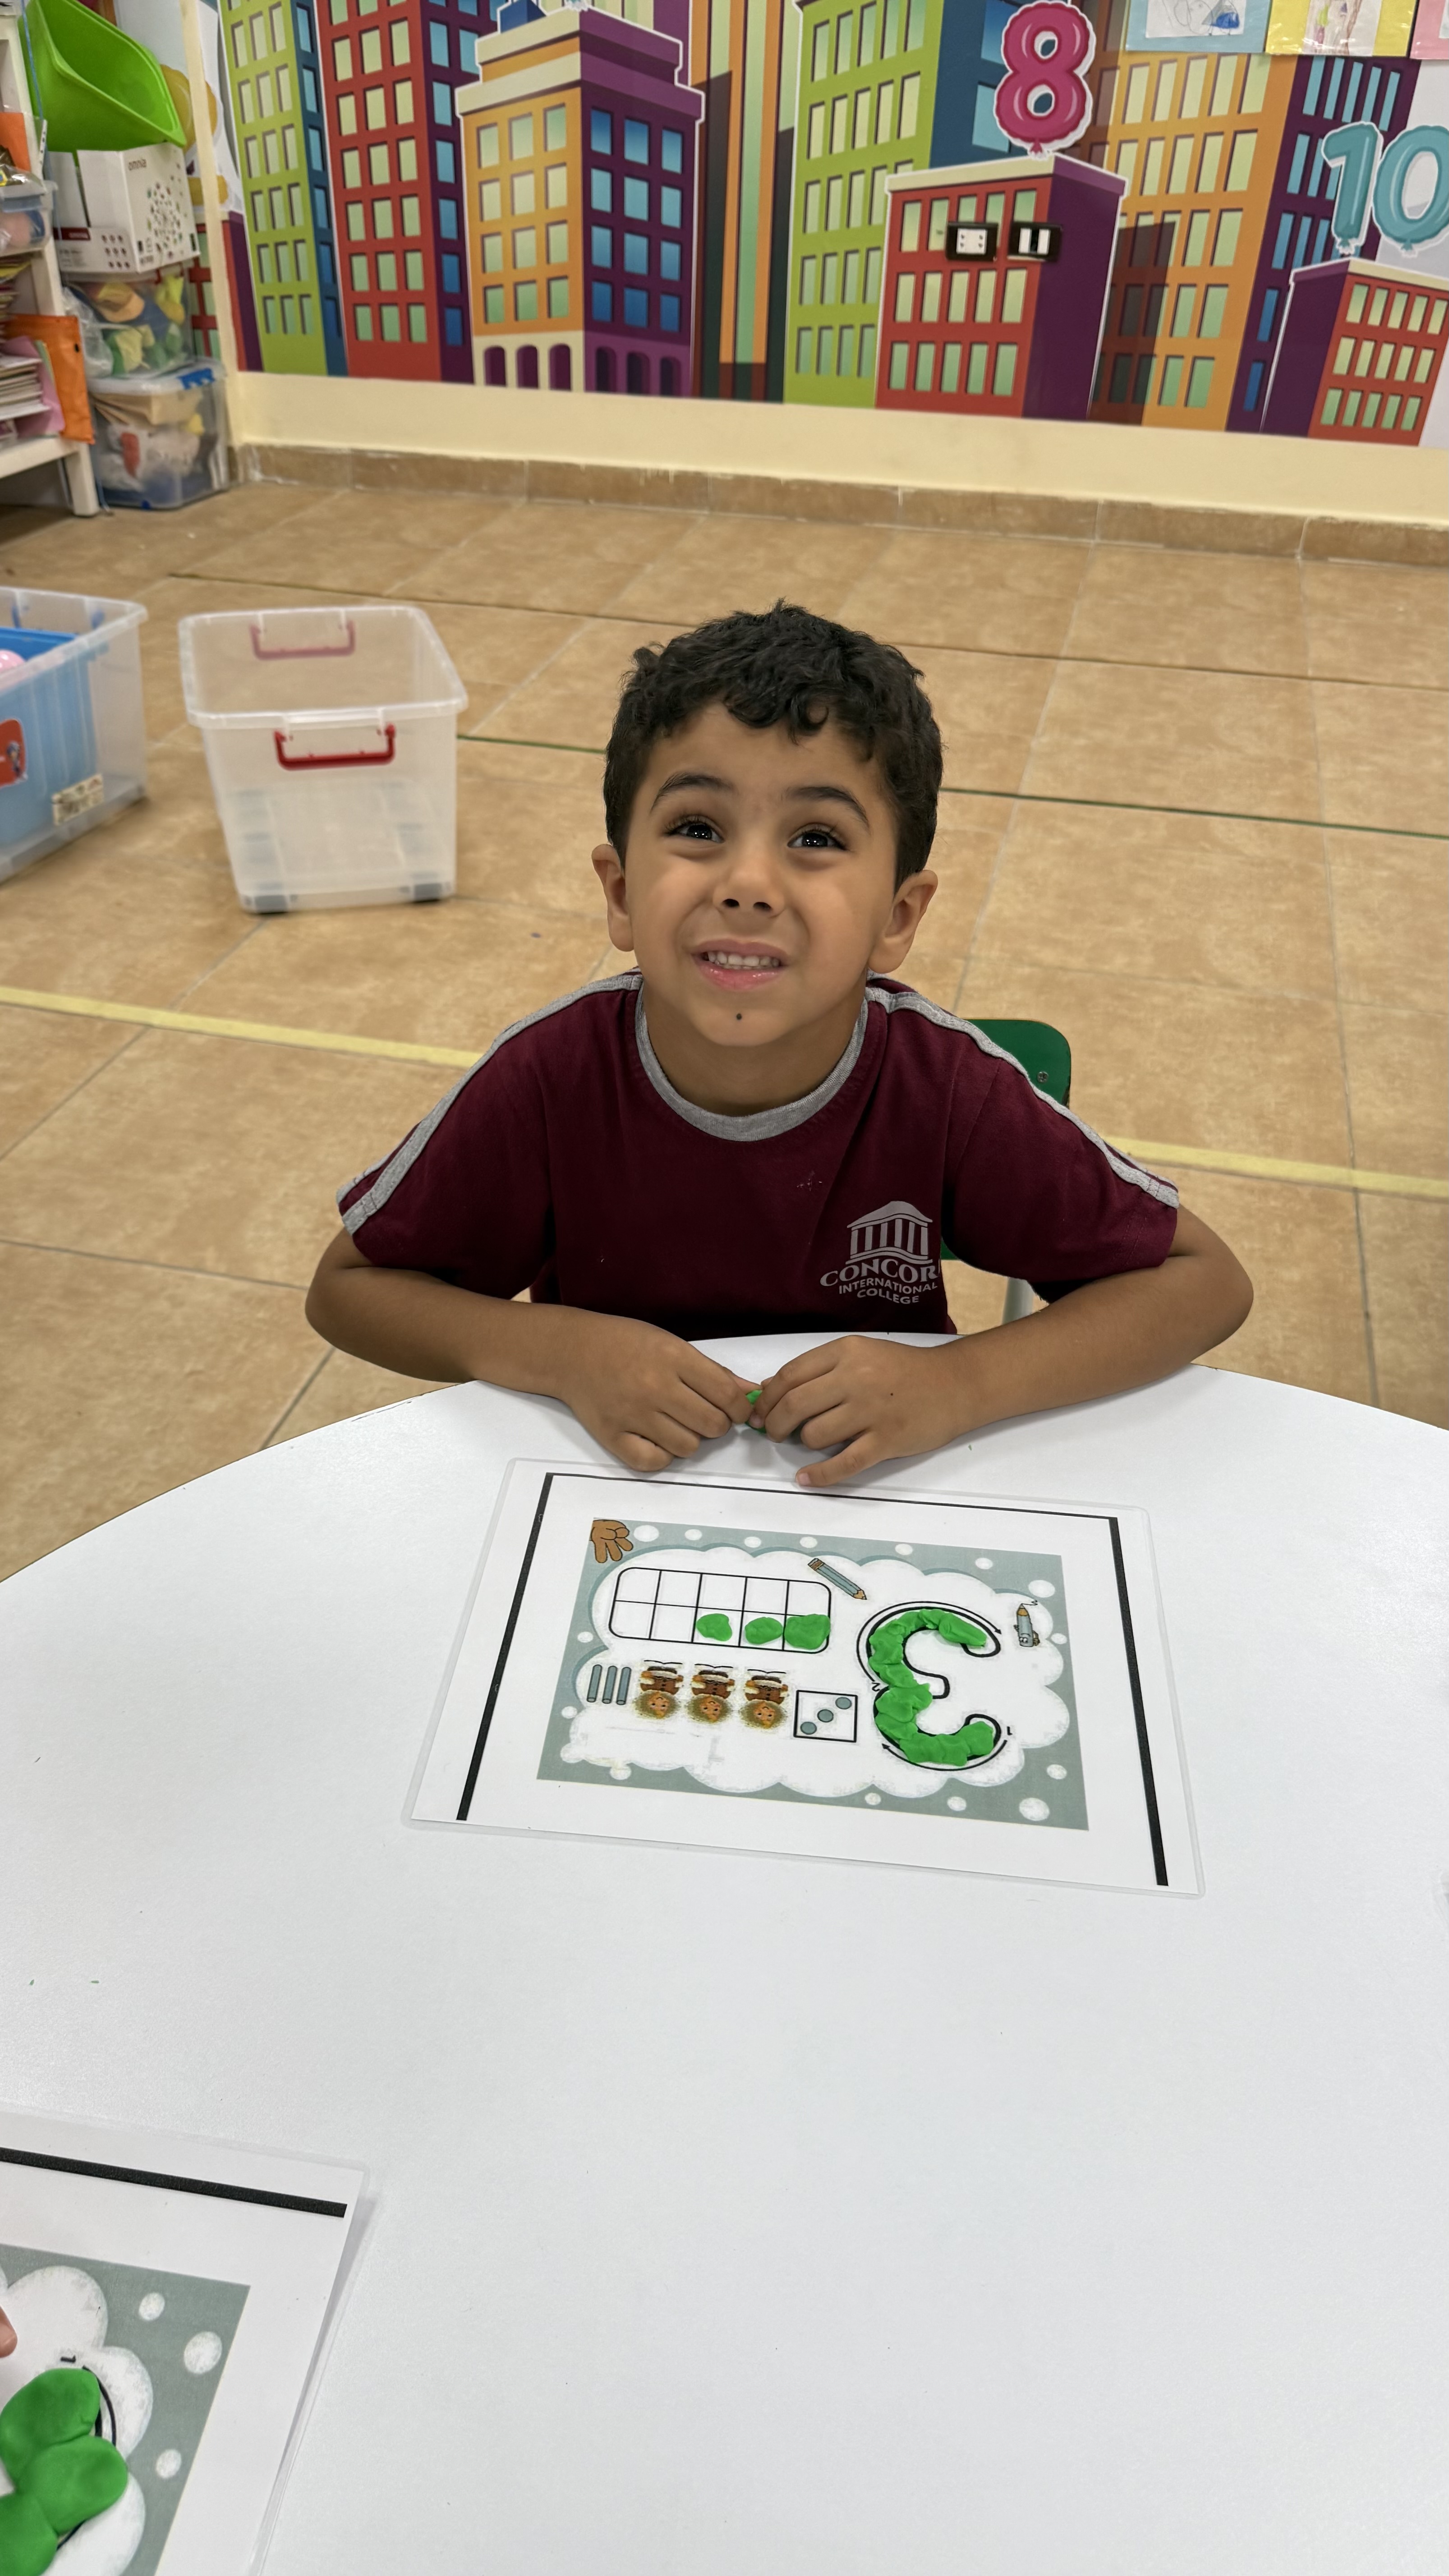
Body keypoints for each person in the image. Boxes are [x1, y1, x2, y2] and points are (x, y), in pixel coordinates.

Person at [307, 603, 1251, 1490]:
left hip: (871, 1489)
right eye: (697, 828)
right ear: (622, 893)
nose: (748, 882)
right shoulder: (548, 1076)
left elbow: (1202, 1284)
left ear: (897, 916)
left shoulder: (948, 1089)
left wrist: (961, 1384)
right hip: (612, 1486)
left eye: (815, 836)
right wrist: (557, 1353)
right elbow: (350, 1291)